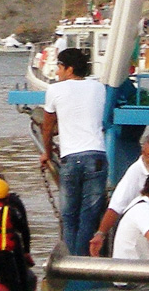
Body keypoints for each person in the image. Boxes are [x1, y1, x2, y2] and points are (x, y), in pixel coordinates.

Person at [40, 48, 107, 256]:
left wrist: (46, 152)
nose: (57, 72)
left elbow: (47, 126)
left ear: (69, 69)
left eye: (60, 67)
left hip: (71, 158)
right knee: (89, 215)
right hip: (96, 156)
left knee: (69, 216)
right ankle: (83, 262)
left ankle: (69, 263)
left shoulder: (55, 90)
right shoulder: (99, 88)